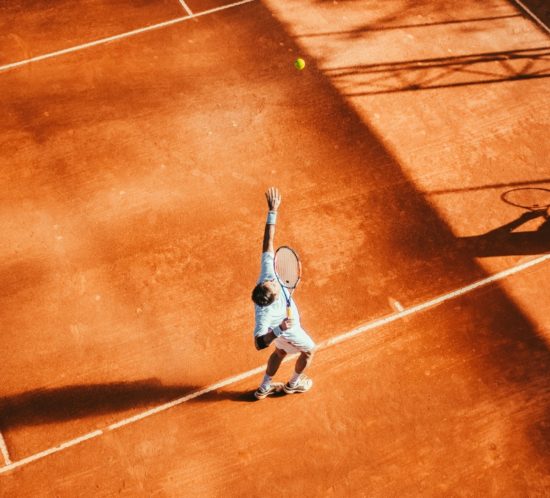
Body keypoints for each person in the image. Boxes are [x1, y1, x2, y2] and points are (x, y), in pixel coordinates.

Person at [251, 187, 316, 400]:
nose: (272, 281)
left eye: (269, 281)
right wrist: (279, 329)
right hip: (288, 331)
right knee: (309, 351)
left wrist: (273, 211)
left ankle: (263, 388)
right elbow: (259, 343)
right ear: (273, 298)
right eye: (272, 285)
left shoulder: (266, 276)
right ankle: (293, 384)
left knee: (279, 352)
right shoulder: (265, 314)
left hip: (280, 332)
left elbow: (267, 243)